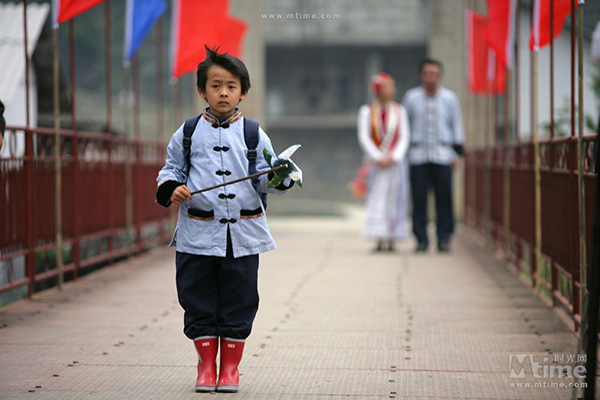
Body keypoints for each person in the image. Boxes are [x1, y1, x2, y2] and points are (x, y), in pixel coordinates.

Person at [156, 46, 296, 393]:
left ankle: (230, 369)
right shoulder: (187, 133)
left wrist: (281, 176)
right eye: (215, 86)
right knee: (196, 295)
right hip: (197, 233)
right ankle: (206, 367)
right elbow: (170, 169)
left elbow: (266, 175)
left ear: (243, 92)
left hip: (243, 235)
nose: (223, 93)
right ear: (202, 90)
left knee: (240, 297)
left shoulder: (253, 133)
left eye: (231, 86)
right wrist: (172, 187)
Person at [402, 58, 465, 253]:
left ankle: (444, 238)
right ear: (421, 76)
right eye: (427, 74)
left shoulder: (449, 98)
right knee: (419, 200)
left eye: (434, 74)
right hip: (418, 155)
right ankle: (421, 238)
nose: (431, 78)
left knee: (444, 199)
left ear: (439, 76)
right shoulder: (411, 98)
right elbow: (404, 126)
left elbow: (456, 125)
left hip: (443, 155)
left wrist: (457, 154)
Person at [357, 73, 410, 252]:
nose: (392, 90)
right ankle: (379, 237)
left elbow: (404, 137)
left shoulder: (399, 111)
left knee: (395, 199)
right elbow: (364, 137)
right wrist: (379, 157)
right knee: (377, 198)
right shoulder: (367, 111)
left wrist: (394, 157)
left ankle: (392, 237)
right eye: (389, 86)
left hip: (395, 165)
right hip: (377, 165)